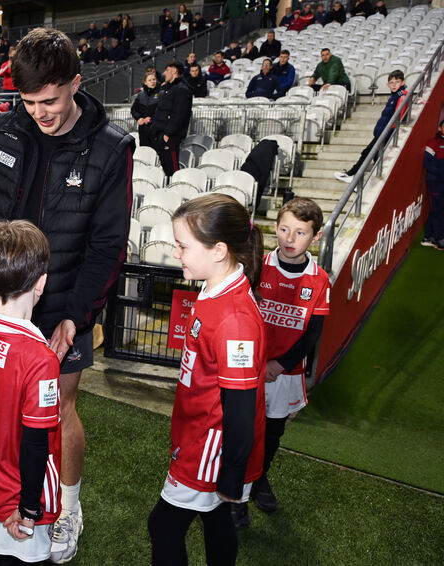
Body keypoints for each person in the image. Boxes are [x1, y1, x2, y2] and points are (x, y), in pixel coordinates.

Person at [0, 28, 134, 564]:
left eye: (50, 100)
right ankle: (5, 496)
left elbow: (109, 242)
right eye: (29, 101)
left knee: (58, 410)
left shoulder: (111, 147)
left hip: (65, 305)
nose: (40, 112)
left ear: (75, 85)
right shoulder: (5, 132)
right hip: (5, 301)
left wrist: (76, 316)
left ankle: (66, 508)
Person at [149, 193, 266, 566]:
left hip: (209, 445)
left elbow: (241, 406)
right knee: (216, 520)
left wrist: (232, 472)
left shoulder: (234, 320)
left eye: (183, 246)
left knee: (163, 527)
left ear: (218, 250)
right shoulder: (214, 284)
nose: (177, 253)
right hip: (198, 430)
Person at [231, 197, 330, 528]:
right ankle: (235, 495)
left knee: (271, 434)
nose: (290, 238)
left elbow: (312, 334)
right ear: (275, 228)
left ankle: (259, 480)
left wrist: (280, 364)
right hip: (247, 367)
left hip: (285, 373)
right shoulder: (257, 266)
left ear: (315, 238)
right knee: (241, 430)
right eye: (284, 229)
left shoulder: (319, 280)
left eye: (300, 233)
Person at [0, 220, 62, 565]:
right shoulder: (40, 359)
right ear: (41, 283)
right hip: (21, 494)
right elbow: (36, 441)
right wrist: (29, 506)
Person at [335, 70, 406, 183]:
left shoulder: (401, 96)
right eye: (391, 82)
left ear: (403, 82)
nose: (394, 85)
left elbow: (399, 116)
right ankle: (358, 178)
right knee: (373, 155)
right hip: (382, 132)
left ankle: (354, 176)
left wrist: (390, 132)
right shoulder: (394, 96)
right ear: (387, 84)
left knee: (368, 153)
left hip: (387, 132)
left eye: (397, 82)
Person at [152, 61, 192, 178]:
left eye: (167, 70)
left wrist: (168, 133)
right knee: (165, 167)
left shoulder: (182, 89)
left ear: (174, 71)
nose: (164, 73)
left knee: (173, 168)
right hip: (162, 133)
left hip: (170, 136)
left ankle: (176, 189)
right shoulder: (169, 88)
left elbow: (179, 114)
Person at [423, 120, 444, 249]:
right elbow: (428, 163)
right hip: (435, 181)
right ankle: (439, 238)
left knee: (438, 209)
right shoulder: (433, 143)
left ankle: (428, 236)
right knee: (437, 210)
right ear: (440, 128)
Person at [131, 70, 161, 149]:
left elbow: (162, 111)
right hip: (143, 130)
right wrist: (139, 118)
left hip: (156, 130)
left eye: (154, 79)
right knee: (145, 151)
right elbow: (134, 110)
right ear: (145, 82)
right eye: (150, 80)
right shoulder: (140, 95)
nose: (152, 82)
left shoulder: (161, 93)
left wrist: (151, 120)